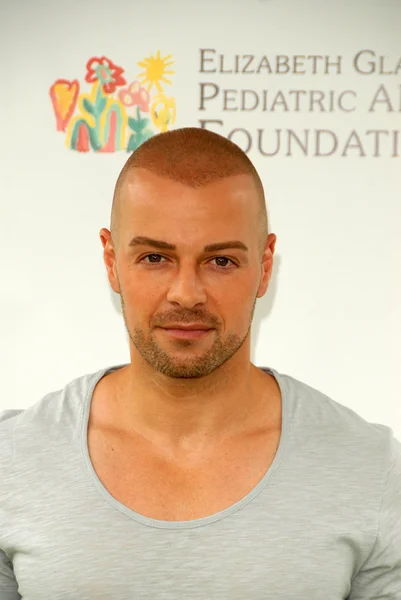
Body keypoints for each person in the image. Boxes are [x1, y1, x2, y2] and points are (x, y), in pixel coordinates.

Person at [0, 127, 400, 599]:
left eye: (221, 262)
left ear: (265, 266)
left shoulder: (369, 469)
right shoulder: (12, 461)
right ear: (111, 260)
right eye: (154, 257)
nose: (186, 293)